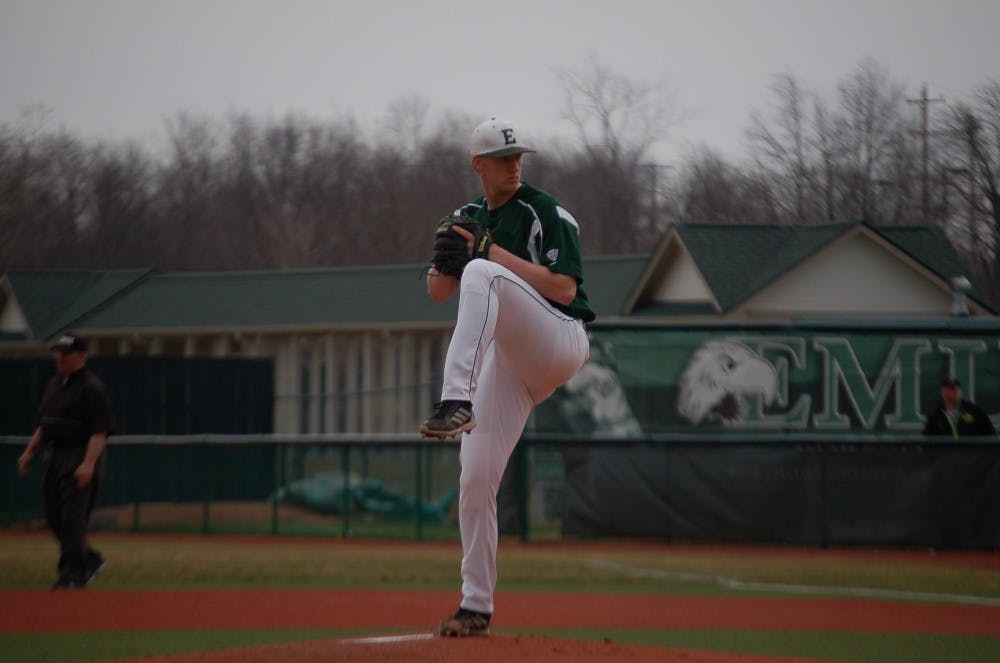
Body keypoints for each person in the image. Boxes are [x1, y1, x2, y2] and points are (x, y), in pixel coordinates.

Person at [420, 118, 594, 636]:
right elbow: (436, 293)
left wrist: (485, 255)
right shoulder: (465, 217)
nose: (514, 164)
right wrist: (442, 265)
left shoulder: (544, 210)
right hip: (513, 362)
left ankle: (456, 398)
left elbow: (564, 288)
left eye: (518, 155)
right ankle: (476, 607)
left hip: (559, 337)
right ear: (478, 165)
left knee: (481, 271)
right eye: (502, 157)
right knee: (474, 478)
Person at [16, 334, 114, 588]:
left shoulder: (92, 388)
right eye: (58, 352)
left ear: (81, 356)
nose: (60, 357)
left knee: (72, 518)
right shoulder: (54, 385)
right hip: (54, 455)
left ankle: (72, 574)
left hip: (78, 454)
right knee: (54, 516)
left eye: (66, 353)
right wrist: (29, 452)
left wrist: (88, 464)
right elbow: (46, 425)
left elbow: (99, 431)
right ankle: (88, 559)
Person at [923, 377, 996, 437]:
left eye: (955, 389)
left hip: (971, 454)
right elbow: (927, 441)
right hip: (945, 454)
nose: (952, 392)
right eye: (949, 389)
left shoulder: (975, 411)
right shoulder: (935, 415)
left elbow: (991, 435)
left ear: (960, 392)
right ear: (942, 392)